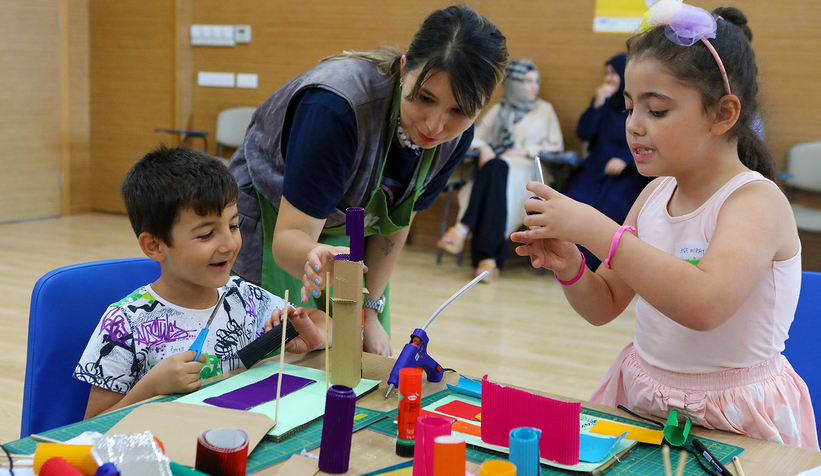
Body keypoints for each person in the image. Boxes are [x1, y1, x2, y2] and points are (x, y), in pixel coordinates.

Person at [512, 1, 818, 449]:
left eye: (656, 112)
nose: (633, 126)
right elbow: (605, 305)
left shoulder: (756, 201)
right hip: (648, 400)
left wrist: (597, 230)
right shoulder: (655, 194)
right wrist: (572, 264)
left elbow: (703, 306)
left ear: (722, 114)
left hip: (734, 418)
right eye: (629, 108)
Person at [228, 6, 508, 356]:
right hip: (277, 220)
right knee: (282, 352)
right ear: (405, 69)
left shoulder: (456, 135)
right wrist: (315, 257)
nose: (435, 126)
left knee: (359, 359)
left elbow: (398, 218)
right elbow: (288, 240)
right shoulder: (335, 108)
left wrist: (370, 310)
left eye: (460, 111)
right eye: (425, 98)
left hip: (349, 235)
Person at [73, 146, 325, 418]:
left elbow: (321, 321)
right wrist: (151, 387)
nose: (229, 244)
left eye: (233, 225)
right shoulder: (124, 324)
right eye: (206, 235)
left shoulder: (245, 298)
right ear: (155, 246)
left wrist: (313, 335)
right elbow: (92, 427)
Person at [436, 58, 564, 282]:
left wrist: (525, 150)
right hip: (497, 171)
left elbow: (556, 145)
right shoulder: (500, 109)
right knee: (496, 172)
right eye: (528, 81)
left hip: (529, 172)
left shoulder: (545, 110)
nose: (534, 86)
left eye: (536, 81)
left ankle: (463, 229)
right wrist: (485, 147)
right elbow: (473, 136)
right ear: (514, 83)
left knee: (496, 170)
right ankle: (489, 261)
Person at [562, 53, 652, 270]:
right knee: (575, 200)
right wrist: (598, 104)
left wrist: (626, 160)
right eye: (607, 74)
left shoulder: (638, 107)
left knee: (611, 205)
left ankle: (601, 266)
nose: (609, 78)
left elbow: (651, 139)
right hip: (595, 169)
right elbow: (584, 132)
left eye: (613, 73)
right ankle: (569, 261)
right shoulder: (603, 105)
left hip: (628, 171)